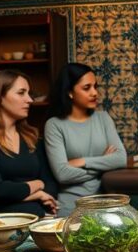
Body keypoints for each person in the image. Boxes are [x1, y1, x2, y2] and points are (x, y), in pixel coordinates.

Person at [0, 70, 58, 216]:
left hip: (35, 214)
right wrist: (37, 188)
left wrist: (30, 192)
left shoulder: (31, 136)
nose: (30, 100)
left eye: (29, 93)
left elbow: (50, 184)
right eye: (21, 93)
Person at [44, 63, 127, 217]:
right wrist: (104, 163)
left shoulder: (103, 118)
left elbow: (121, 159)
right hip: (71, 207)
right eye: (86, 88)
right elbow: (62, 174)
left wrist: (82, 161)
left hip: (105, 205)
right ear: (70, 92)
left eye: (95, 86)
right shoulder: (54, 125)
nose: (94, 93)